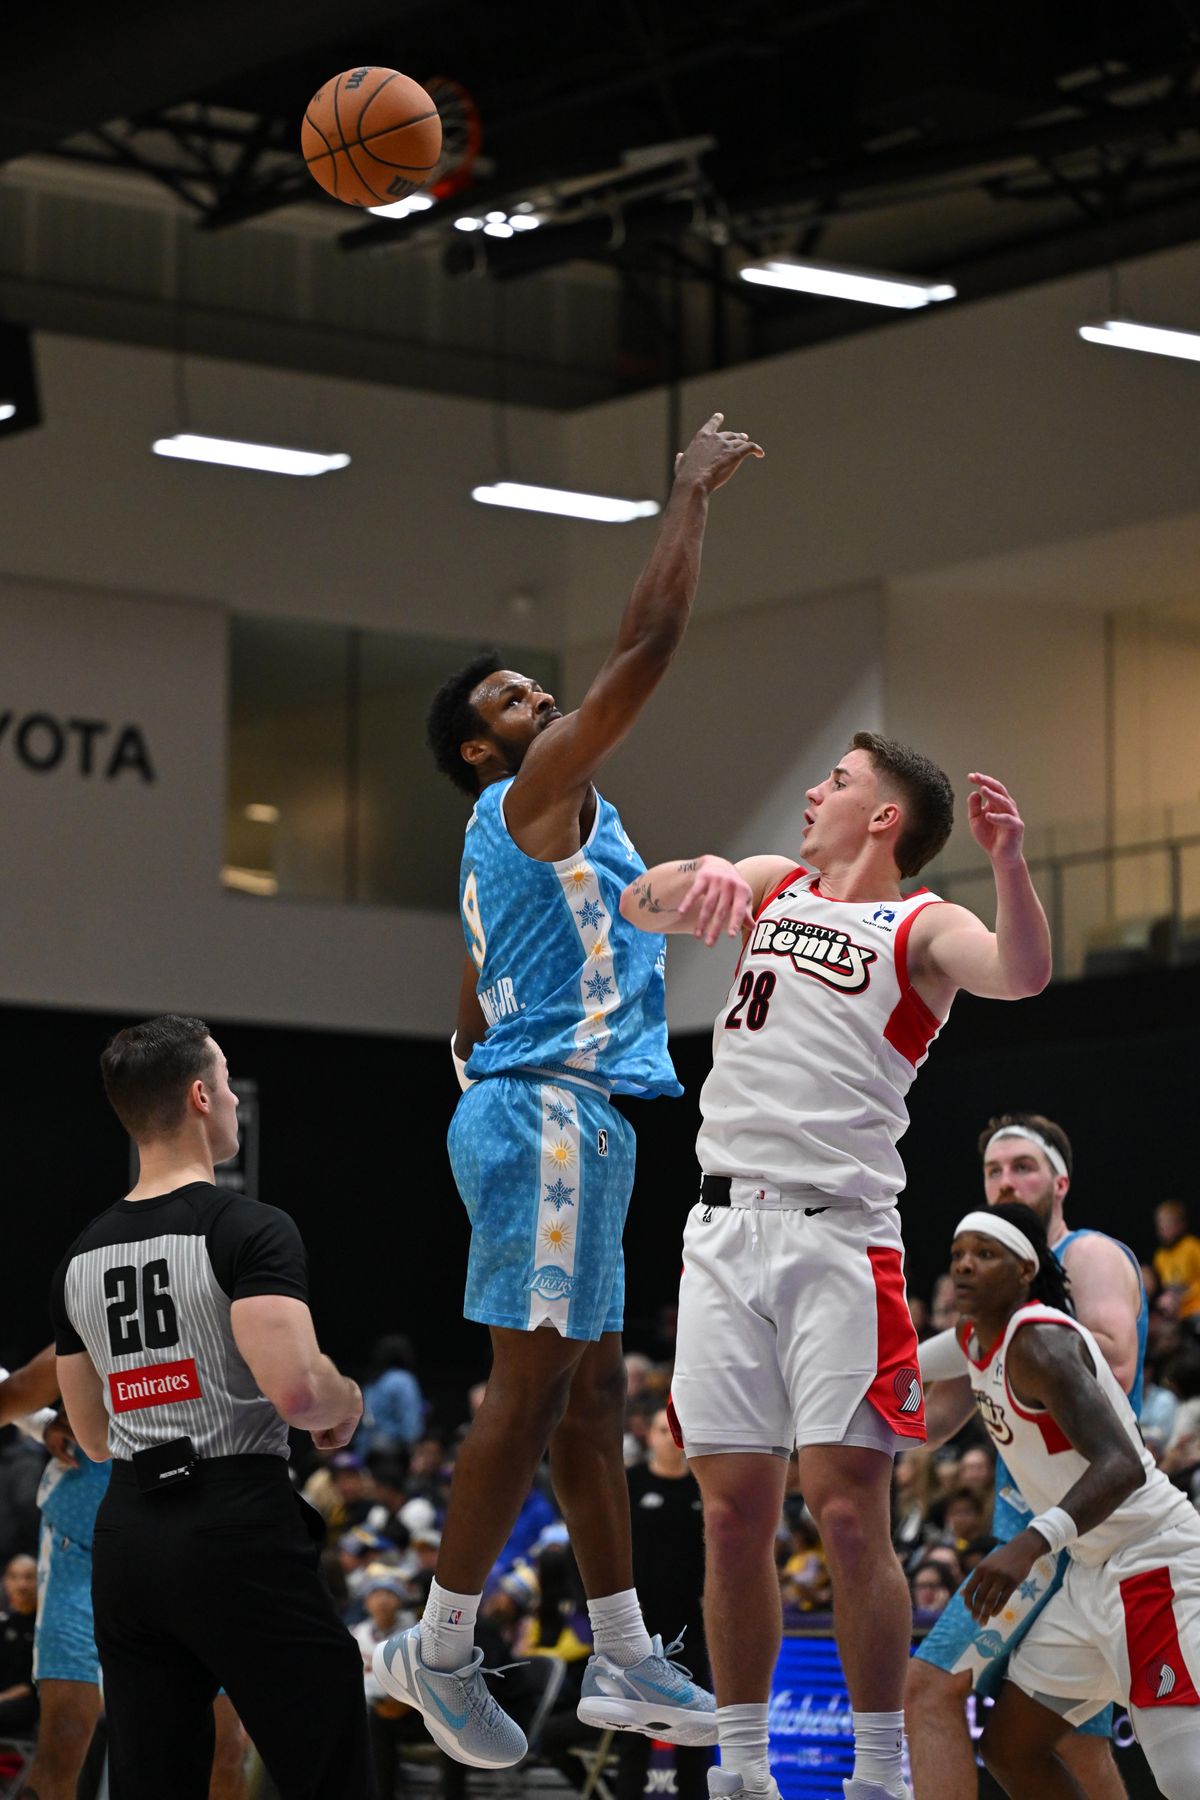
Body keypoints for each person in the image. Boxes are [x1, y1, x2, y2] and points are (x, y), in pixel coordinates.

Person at [373, 412, 764, 1769]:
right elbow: (646, 650)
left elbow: (475, 998)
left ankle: (621, 1653)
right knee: (529, 1397)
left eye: (535, 692)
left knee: (591, 1402)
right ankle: (433, 1645)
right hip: (546, 1117)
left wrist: (480, 1056)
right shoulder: (535, 791)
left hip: (567, 1115)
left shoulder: (543, 837)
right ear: (486, 754)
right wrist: (688, 497)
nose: (537, 701)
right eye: (508, 702)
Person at [621, 740, 1051, 1800]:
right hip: (722, 1231)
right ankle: (744, 1765)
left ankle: (876, 1771)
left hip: (838, 1235)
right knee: (729, 1514)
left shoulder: (921, 924)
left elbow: (1025, 973)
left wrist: (1008, 863)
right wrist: (703, 873)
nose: (813, 790)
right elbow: (639, 903)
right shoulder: (772, 883)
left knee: (848, 1509)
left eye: (840, 783)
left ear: (885, 818)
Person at [50, 1014, 372, 1800]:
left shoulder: (81, 1253)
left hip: (128, 1537)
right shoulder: (247, 1227)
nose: (230, 1096)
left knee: (152, 1780)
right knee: (328, 1758)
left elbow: (91, 1435)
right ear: (201, 1096)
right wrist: (346, 1397)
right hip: (234, 1520)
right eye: (225, 1081)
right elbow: (298, 1392)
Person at [908, 1113, 1145, 1800]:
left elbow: (1119, 1363)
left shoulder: (1087, 1255)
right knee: (1070, 1739)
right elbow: (943, 1416)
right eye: (993, 1171)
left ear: (1059, 1181)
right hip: (1044, 1523)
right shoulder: (999, 1301)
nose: (1006, 1182)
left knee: (928, 1690)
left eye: (1023, 1168)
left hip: (1069, 1523)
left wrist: (1005, 1318)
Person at [944, 1203, 1200, 1800]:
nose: (964, 1267)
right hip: (1089, 1572)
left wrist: (1029, 1545)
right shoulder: (971, 1339)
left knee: (1186, 1779)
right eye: (958, 1255)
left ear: (1025, 1269)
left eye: (985, 1255)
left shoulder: (1041, 1341)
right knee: (1010, 1748)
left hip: (1150, 1558)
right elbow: (903, 1369)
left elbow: (1125, 1466)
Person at [618, 1407, 712, 1800]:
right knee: (635, 1732)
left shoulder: (704, 1488)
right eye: (662, 1429)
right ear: (650, 1437)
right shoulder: (631, 1484)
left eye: (678, 1432)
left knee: (695, 1728)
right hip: (636, 1627)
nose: (671, 1438)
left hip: (690, 1626)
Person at [0, 1555, 38, 1738]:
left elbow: (30, 1684)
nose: (21, 1585)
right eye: (14, 1577)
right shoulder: (5, 1624)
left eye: (29, 1577)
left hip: (24, 1705)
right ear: (6, 1582)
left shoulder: (44, 1627)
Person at [1153, 1200, 1200, 1324]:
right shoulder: (1160, 1257)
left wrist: (1183, 1297)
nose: (1163, 1230)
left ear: (1180, 1224)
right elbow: (1165, 1287)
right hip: (1175, 1315)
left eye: (1168, 1225)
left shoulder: (1192, 1247)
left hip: (1195, 1309)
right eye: (1161, 1226)